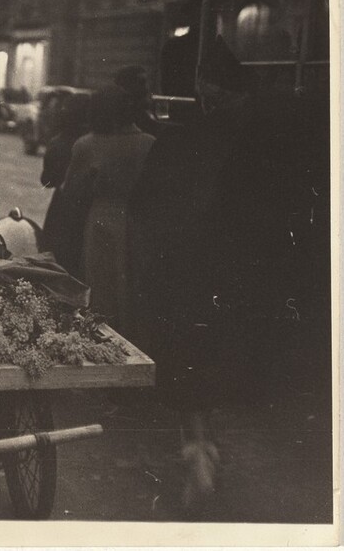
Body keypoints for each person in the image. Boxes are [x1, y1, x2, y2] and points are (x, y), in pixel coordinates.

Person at [128, 35, 329, 511]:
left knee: (188, 365)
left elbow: (145, 208)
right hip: (246, 277)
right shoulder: (281, 136)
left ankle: (198, 449)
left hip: (189, 274)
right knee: (225, 359)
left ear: (205, 87)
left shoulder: (182, 140)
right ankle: (205, 445)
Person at [44, 85, 155, 333]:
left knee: (102, 282)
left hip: (102, 219)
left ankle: (105, 333)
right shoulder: (149, 143)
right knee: (134, 281)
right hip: (139, 220)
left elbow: (72, 191)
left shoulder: (88, 144)